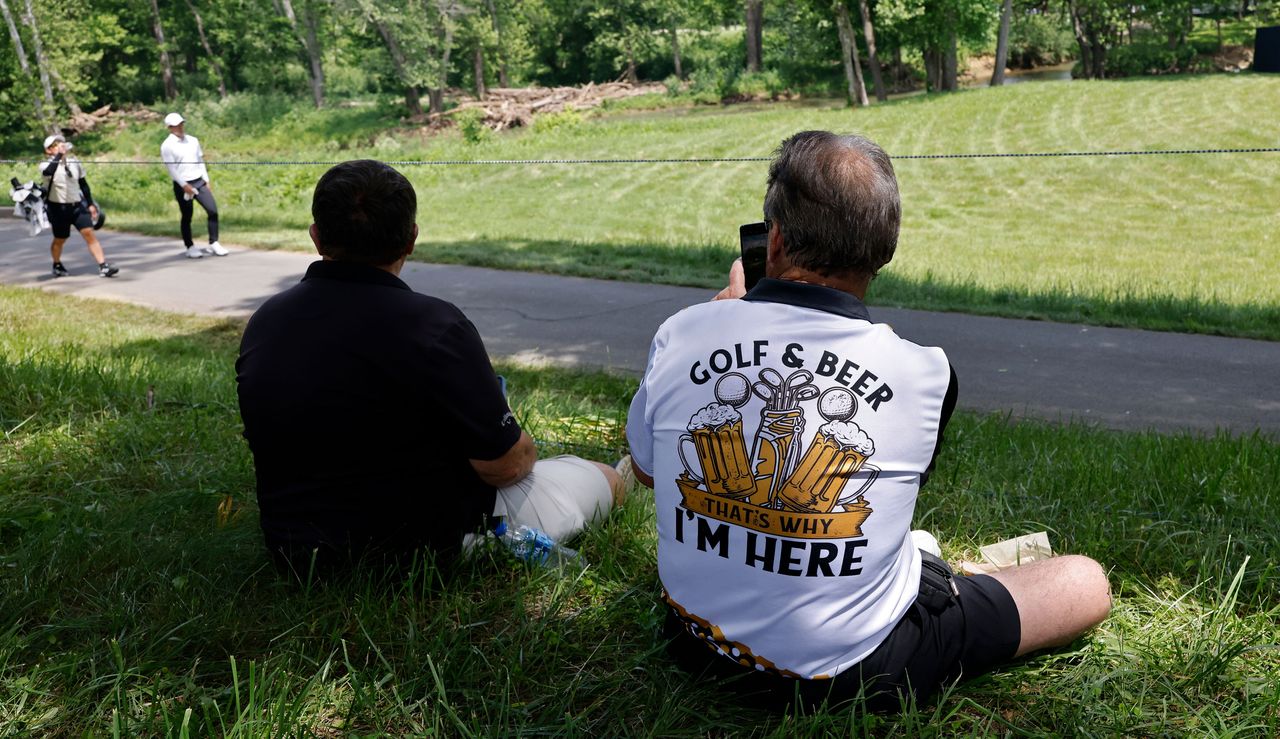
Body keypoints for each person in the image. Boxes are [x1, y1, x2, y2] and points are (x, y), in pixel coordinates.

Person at [625, 131, 1110, 710]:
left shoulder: (682, 332)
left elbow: (651, 474)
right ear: (884, 249)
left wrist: (715, 322)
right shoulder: (927, 373)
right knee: (1085, 581)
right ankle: (944, 572)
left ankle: (928, 566)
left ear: (773, 239)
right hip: (859, 672)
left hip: (697, 646)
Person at [236, 159, 624, 573]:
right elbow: (505, 466)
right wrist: (520, 444)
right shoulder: (435, 325)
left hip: (295, 549)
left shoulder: (265, 321)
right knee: (607, 478)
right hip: (419, 548)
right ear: (411, 239)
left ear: (316, 237)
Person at [39, 134, 118, 278]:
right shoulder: (45, 165)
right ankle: (57, 264)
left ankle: (103, 266)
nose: (60, 146)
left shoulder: (74, 163)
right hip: (58, 208)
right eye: (55, 145)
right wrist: (59, 156)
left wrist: (90, 203)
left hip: (77, 206)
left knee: (89, 233)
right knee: (60, 239)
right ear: (48, 151)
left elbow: (83, 184)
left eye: (61, 143)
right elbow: (48, 172)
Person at [160, 112, 227, 259]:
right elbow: (172, 169)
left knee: (212, 210)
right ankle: (190, 246)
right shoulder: (167, 146)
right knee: (187, 216)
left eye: (181, 124)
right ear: (169, 127)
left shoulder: (193, 140)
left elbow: (200, 161)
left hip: (199, 181)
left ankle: (213, 242)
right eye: (176, 125)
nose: (179, 127)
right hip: (182, 185)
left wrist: (206, 179)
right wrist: (184, 185)